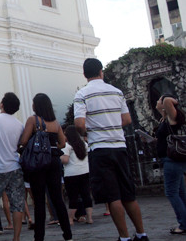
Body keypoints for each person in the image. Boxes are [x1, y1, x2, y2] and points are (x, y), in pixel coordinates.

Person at [74, 58, 149, 241]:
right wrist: (112, 125)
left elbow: (79, 123)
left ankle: (123, 237)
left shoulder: (82, 94)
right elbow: (127, 120)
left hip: (100, 148)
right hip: (120, 147)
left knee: (113, 196)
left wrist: (87, 132)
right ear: (101, 72)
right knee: (128, 194)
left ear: (84, 74)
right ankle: (141, 233)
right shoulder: (117, 92)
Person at [19, 93, 72, 241]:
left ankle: (39, 237)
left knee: (39, 201)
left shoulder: (33, 120)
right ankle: (68, 235)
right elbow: (62, 143)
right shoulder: (55, 123)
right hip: (54, 161)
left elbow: (24, 140)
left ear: (36, 106)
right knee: (58, 199)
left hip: (38, 162)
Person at [0, 92, 25, 241]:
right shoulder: (19, 124)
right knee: (17, 204)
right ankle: (16, 237)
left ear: (2, 105)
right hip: (14, 166)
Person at [154, 94, 186, 235]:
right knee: (180, 192)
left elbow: (167, 100)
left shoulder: (174, 116)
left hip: (172, 159)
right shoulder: (166, 119)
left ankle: (184, 224)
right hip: (169, 158)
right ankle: (184, 221)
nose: (158, 102)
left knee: (171, 192)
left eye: (159, 100)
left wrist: (166, 98)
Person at [61, 125, 93, 225]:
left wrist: (59, 158)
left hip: (71, 174)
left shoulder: (67, 146)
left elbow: (65, 160)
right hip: (85, 171)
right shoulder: (84, 144)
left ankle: (70, 219)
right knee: (86, 195)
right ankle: (89, 218)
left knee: (73, 197)